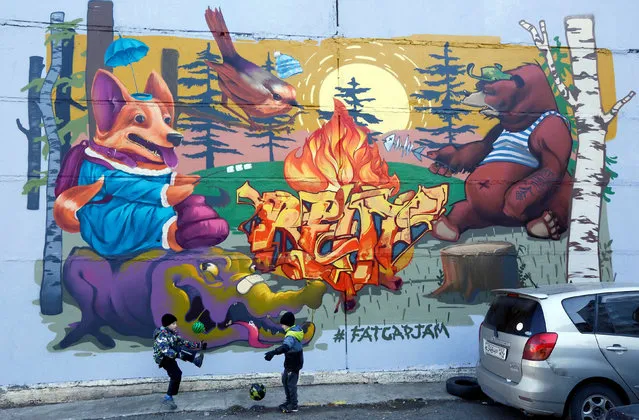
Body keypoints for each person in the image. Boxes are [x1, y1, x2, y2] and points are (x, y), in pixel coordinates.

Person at [153, 313, 206, 410]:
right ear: (167, 325)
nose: (176, 325)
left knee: (177, 374)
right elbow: (166, 351)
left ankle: (168, 397)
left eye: (175, 323)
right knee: (176, 371)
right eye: (173, 324)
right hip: (163, 358)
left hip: (169, 356)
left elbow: (184, 342)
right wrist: (179, 355)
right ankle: (168, 398)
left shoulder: (172, 334)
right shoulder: (162, 336)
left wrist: (199, 345)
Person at [264, 311, 304, 413]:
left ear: (287, 324)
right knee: (285, 380)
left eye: (283, 324)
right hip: (292, 362)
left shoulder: (290, 336)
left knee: (291, 384)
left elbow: (285, 347)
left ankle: (293, 405)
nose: (282, 327)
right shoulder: (296, 329)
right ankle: (289, 401)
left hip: (293, 363)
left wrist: (273, 353)